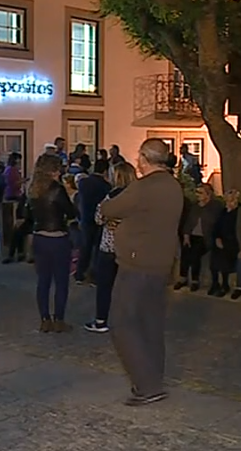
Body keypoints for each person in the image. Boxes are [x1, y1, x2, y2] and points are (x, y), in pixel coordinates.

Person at [101, 138, 183, 406]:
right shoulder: (173, 185)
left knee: (121, 322)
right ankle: (154, 379)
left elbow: (109, 208)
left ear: (145, 159)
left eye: (139, 157)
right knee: (151, 323)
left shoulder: (144, 187)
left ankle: (146, 385)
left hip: (137, 264)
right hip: (161, 264)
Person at [25, 154, 78, 332]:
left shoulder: (32, 188)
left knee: (43, 281)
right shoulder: (56, 189)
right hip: (58, 237)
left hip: (40, 237)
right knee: (61, 281)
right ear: (54, 169)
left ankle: (44, 319)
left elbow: (28, 215)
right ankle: (59, 320)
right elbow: (71, 213)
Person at [84, 161, 137, 333]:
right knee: (128, 287)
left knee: (105, 286)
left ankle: (101, 320)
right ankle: (128, 321)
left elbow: (99, 218)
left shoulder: (112, 197)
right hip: (130, 247)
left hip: (109, 247)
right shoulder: (138, 197)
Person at [176, 184, 223, 292]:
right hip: (192, 235)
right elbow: (188, 222)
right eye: (197, 192)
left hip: (206, 237)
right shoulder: (195, 206)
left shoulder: (215, 206)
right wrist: (186, 235)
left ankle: (195, 280)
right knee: (185, 250)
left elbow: (212, 221)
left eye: (200, 193)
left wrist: (204, 206)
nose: (197, 195)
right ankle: (183, 277)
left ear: (208, 194)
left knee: (195, 252)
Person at [74, 160, 111, 286]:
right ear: (105, 171)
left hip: (85, 218)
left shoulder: (83, 183)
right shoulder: (106, 186)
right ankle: (94, 277)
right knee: (97, 250)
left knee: (85, 247)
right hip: (98, 220)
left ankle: (79, 273)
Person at [209, 189, 240, 297]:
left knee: (224, 258)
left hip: (232, 241)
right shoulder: (223, 211)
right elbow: (216, 226)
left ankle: (225, 284)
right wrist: (217, 237)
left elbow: (237, 229)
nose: (229, 203)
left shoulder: (239, 212)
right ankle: (215, 283)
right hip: (220, 239)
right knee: (214, 258)